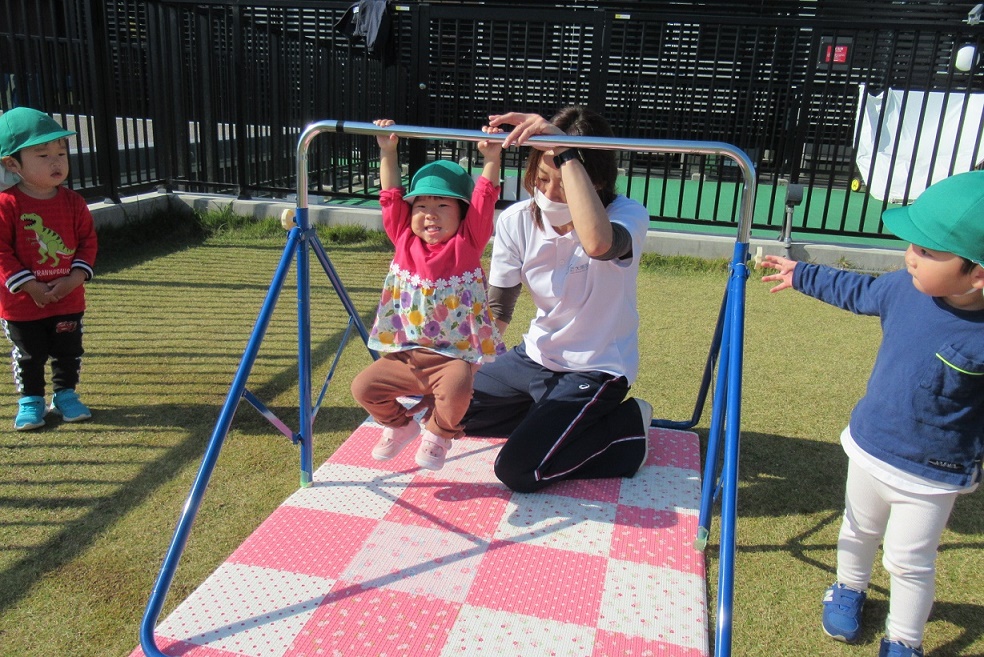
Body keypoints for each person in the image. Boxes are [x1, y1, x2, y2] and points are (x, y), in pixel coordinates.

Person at [759, 170, 984, 657]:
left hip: (931, 474)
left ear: (977, 274)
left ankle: (904, 639)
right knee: (856, 529)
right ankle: (848, 586)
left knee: (909, 561)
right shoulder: (904, 289)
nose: (910, 256)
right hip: (869, 446)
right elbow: (858, 290)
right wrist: (802, 274)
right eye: (912, 245)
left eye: (927, 251)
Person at [457, 106, 653, 493]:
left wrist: (566, 151)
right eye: (542, 178)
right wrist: (461, 366)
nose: (548, 193)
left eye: (562, 183)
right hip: (535, 357)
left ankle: (629, 428)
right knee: (452, 407)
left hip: (596, 367)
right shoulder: (516, 220)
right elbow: (498, 309)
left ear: (596, 181)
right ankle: (549, 421)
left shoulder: (627, 215)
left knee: (518, 469)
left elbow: (599, 244)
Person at [350, 118, 506, 470]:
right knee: (364, 387)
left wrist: (492, 159)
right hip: (406, 355)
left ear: (462, 214)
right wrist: (388, 152)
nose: (430, 215)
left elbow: (485, 199)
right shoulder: (403, 239)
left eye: (443, 206)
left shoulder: (467, 243)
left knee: (458, 390)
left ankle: (439, 433)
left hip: (451, 358)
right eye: (421, 206)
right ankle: (399, 425)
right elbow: (391, 196)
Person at [0, 107, 98, 430]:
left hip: (68, 298)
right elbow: (1, 252)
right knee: (29, 353)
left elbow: (87, 242)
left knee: (68, 350)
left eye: (61, 153)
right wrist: (30, 286)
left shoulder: (74, 202)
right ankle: (31, 400)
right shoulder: (7, 204)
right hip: (22, 303)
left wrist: (75, 277)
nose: (56, 162)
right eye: (43, 155)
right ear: (12, 164)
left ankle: (65, 394)